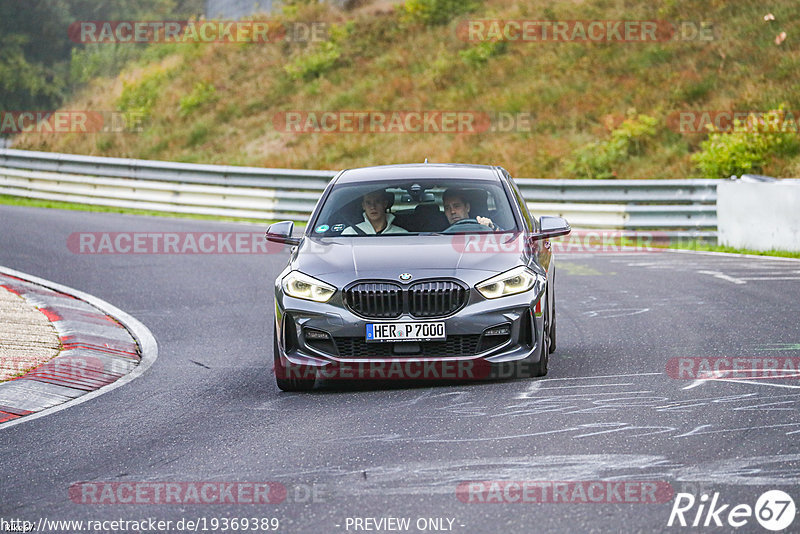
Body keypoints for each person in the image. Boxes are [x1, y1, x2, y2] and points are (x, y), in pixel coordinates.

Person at [342, 189, 408, 235]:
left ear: (385, 204)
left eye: (377, 201)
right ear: (363, 206)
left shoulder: (402, 233)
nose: (373, 207)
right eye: (368, 203)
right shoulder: (350, 233)